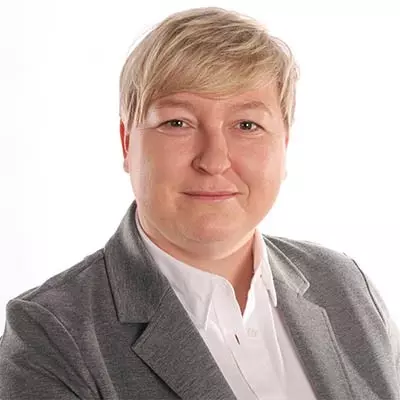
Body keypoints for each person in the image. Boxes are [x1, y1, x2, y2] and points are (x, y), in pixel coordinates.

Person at [0, 7, 399, 400]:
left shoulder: (343, 285)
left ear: (285, 145)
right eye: (177, 123)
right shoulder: (50, 337)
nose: (214, 160)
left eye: (247, 125)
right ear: (127, 143)